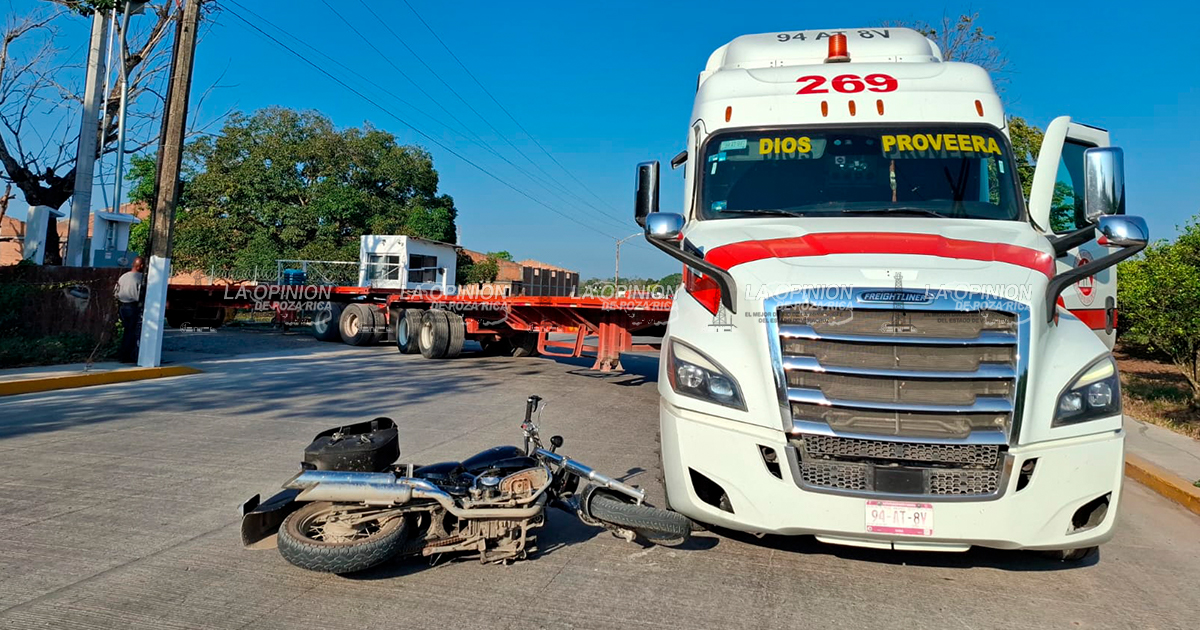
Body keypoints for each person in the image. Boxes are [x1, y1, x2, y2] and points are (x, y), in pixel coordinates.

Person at [115, 256, 145, 363]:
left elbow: (116, 292)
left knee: (127, 332)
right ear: (140, 266)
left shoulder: (123, 277)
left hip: (122, 307)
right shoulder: (141, 278)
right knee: (132, 333)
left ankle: (123, 355)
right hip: (133, 307)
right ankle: (128, 356)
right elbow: (143, 294)